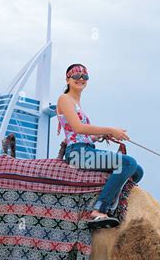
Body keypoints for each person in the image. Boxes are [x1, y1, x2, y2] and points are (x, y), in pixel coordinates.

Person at [56, 63, 144, 229]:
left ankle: (115, 203)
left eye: (85, 76)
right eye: (76, 76)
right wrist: (110, 129)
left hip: (86, 149)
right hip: (77, 154)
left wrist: (100, 136)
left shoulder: (76, 103)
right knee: (128, 163)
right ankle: (99, 209)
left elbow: (82, 134)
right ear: (67, 79)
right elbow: (78, 128)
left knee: (138, 170)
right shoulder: (64, 99)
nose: (81, 79)